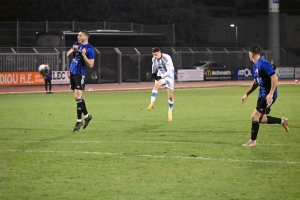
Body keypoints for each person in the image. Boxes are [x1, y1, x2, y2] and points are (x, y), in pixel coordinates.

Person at [241, 44, 289, 147]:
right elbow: (256, 82)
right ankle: (282, 121)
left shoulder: (263, 63)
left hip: (267, 96)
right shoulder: (255, 66)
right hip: (261, 95)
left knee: (254, 117)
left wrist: (271, 93)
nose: (249, 56)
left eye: (249, 54)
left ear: (252, 54)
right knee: (262, 119)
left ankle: (253, 141)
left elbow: (275, 78)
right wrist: (247, 94)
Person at [67, 30, 94, 132]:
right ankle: (87, 116)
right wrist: (73, 49)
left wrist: (84, 55)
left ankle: (79, 121)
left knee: (78, 97)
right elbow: (67, 54)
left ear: (85, 37)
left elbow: (91, 64)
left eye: (80, 35)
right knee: (77, 97)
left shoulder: (90, 49)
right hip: (72, 73)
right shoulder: (76, 44)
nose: (78, 36)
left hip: (79, 74)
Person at [147, 47, 175, 122]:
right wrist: (153, 74)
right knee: (156, 86)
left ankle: (170, 112)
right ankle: (152, 103)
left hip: (169, 77)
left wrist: (161, 76)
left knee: (170, 97)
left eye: (156, 54)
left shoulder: (167, 58)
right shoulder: (154, 59)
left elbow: (169, 71)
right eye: (153, 55)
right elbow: (154, 66)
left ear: (160, 52)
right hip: (160, 75)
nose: (155, 56)